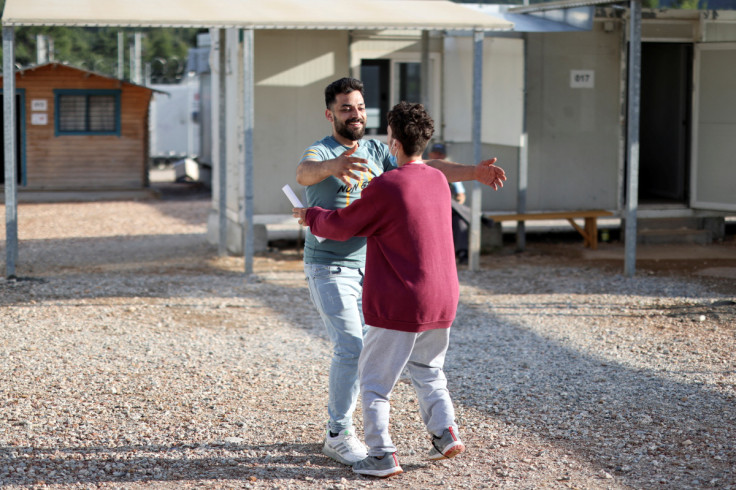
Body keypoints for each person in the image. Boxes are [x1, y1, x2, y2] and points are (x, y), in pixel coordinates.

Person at [295, 77, 505, 466]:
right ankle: (338, 432)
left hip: (373, 266)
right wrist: (333, 166)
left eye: (359, 107)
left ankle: (398, 444)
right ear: (330, 114)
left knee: (386, 357)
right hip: (329, 265)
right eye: (346, 108)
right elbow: (303, 173)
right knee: (352, 347)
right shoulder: (321, 150)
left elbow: (423, 165)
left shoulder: (378, 148)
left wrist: (473, 173)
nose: (355, 114)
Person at [428, 142, 470, 263]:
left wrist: (458, 204)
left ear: (444, 156)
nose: (438, 156)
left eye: (440, 154)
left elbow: (461, 196)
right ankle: (479, 216)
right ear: (430, 154)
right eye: (435, 153)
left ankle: (462, 253)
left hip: (447, 208)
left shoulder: (450, 171)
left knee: (460, 221)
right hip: (429, 208)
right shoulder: (424, 169)